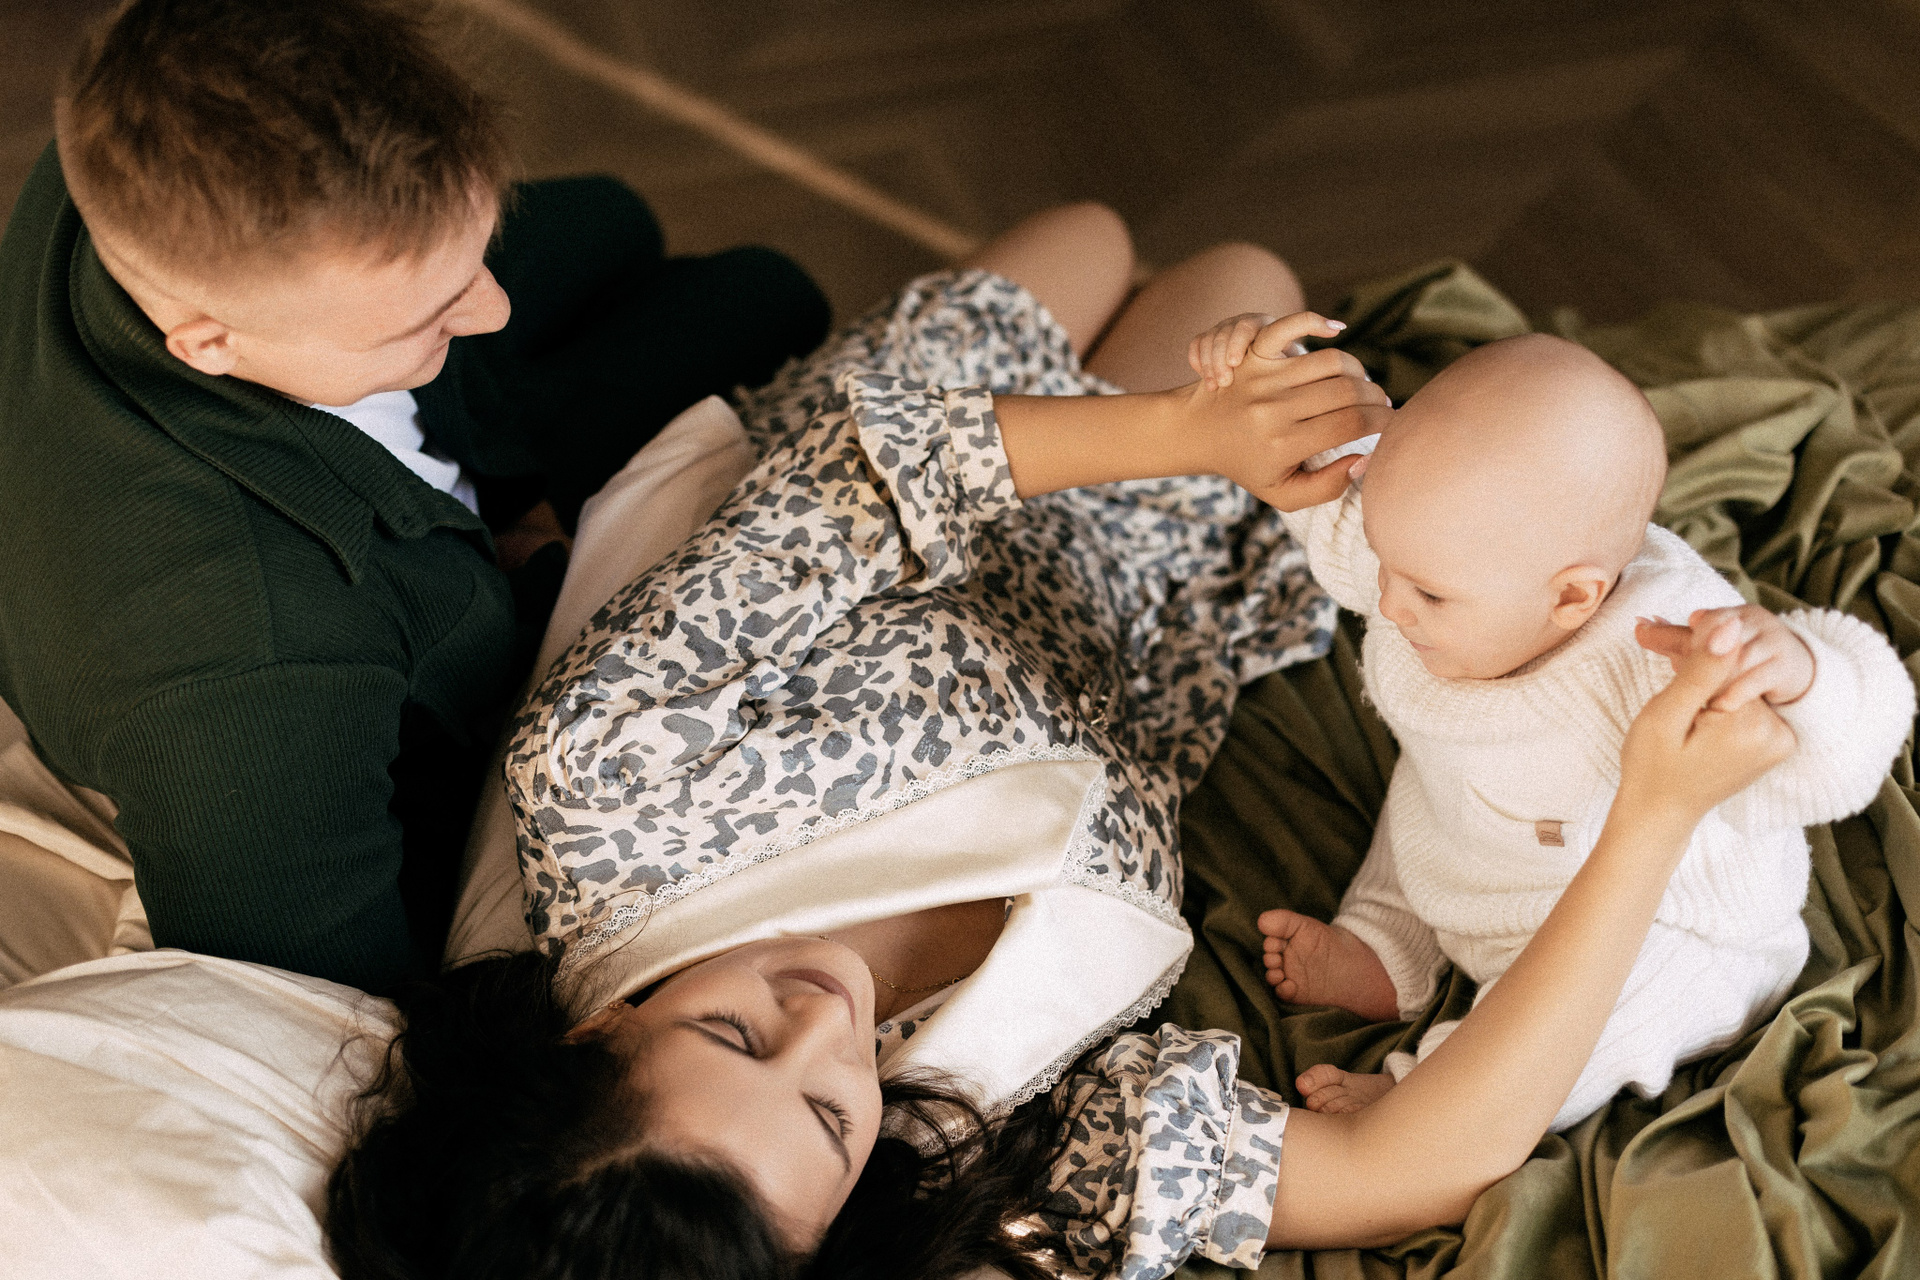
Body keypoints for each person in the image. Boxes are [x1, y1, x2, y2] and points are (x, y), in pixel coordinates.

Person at [326, 206, 1797, 1279]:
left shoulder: (616, 784)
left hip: (984, 458)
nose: (826, 1017)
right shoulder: (976, 1150)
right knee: (1249, 274)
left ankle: (1098, 293)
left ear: (596, 1031)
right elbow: (1399, 1167)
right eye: (829, 1114)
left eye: (733, 1031)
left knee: (1093, 237)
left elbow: (864, 477)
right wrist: (1652, 813)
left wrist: (1190, 430)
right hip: (1142, 595)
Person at [0, 0, 829, 993]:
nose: (493, 306)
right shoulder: (252, 669)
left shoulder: (144, 94)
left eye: (476, 251)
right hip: (409, 585)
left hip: (447, 436)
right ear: (209, 340)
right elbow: (332, 990)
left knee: (643, 233)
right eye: (429, 313)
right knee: (768, 303)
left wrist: (464, 396)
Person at [1184, 322, 1913, 1129]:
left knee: (1630, 1006)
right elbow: (1323, 483)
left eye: (1427, 594)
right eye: (1385, 562)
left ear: (1572, 597)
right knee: (1417, 811)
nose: (1388, 604)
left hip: (1664, 920)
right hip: (1477, 846)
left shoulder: (1670, 640)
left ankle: (1429, 1087)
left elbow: (1851, 747)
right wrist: (1266, 384)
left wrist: (1801, 674)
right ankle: (1389, 950)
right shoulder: (1426, 539)